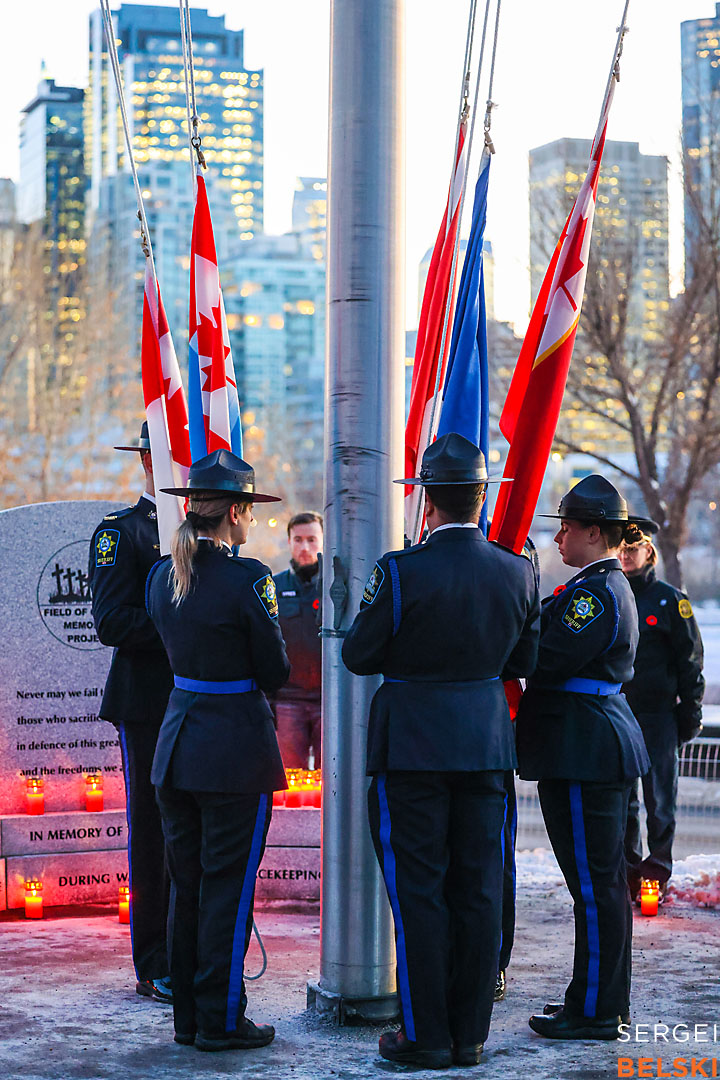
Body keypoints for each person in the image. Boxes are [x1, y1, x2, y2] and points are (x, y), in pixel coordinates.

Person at [342, 433, 540, 1069]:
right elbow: (525, 659)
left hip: (412, 748)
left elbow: (359, 654)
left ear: (426, 501)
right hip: (485, 745)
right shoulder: (517, 570)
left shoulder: (400, 571)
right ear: (482, 499)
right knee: (479, 892)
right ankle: (469, 1035)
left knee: (419, 892)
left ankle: (425, 1035)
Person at [146, 448, 290, 1052]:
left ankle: (188, 1018)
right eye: (248, 509)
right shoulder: (249, 578)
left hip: (178, 745)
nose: (251, 520)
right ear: (233, 512)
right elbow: (275, 670)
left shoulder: (162, 575)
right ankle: (221, 1020)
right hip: (234, 753)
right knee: (227, 890)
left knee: (187, 888)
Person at [516, 475, 651, 1041]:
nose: (559, 538)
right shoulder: (597, 585)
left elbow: (542, 658)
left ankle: (596, 1011)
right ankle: (597, 999)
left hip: (583, 748)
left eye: (567, 527)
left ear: (595, 533)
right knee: (599, 886)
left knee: (596, 889)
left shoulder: (595, 592)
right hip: (587, 744)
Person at [89, 421, 173, 1002]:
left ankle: (193, 949)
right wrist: (181, 626)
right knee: (152, 830)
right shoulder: (121, 534)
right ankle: (155, 960)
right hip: (147, 701)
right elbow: (111, 621)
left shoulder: (199, 534)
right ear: (147, 460)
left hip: (202, 700)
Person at [619, 517, 704, 900]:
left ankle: (656, 872)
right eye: (621, 549)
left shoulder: (670, 601)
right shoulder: (611, 593)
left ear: (649, 551)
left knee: (660, 802)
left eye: (633, 549)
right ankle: (627, 874)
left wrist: (690, 714)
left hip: (658, 717)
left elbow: (690, 662)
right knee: (623, 802)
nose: (626, 556)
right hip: (619, 715)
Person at [273, 512, 323, 768]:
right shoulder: (274, 587)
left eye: (312, 540)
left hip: (329, 702)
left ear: (323, 541)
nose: (305, 547)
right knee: (289, 779)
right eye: (298, 540)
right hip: (288, 702)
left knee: (333, 780)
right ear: (289, 542)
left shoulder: (335, 586)